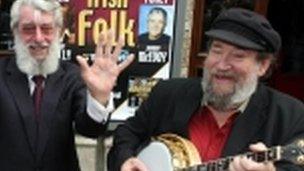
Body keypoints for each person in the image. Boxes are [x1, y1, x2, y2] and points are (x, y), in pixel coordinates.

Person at [108, 8, 304, 171]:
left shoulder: (291, 118)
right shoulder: (168, 93)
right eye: (216, 50)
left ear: (263, 66)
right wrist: (126, 161)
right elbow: (127, 133)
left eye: (238, 55)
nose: (222, 64)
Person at [0, 0, 134, 170]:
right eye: (29, 29)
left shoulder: (72, 75)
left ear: (59, 32)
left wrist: (99, 97)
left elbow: (90, 129)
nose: (39, 38)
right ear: (15, 32)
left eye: (47, 29)